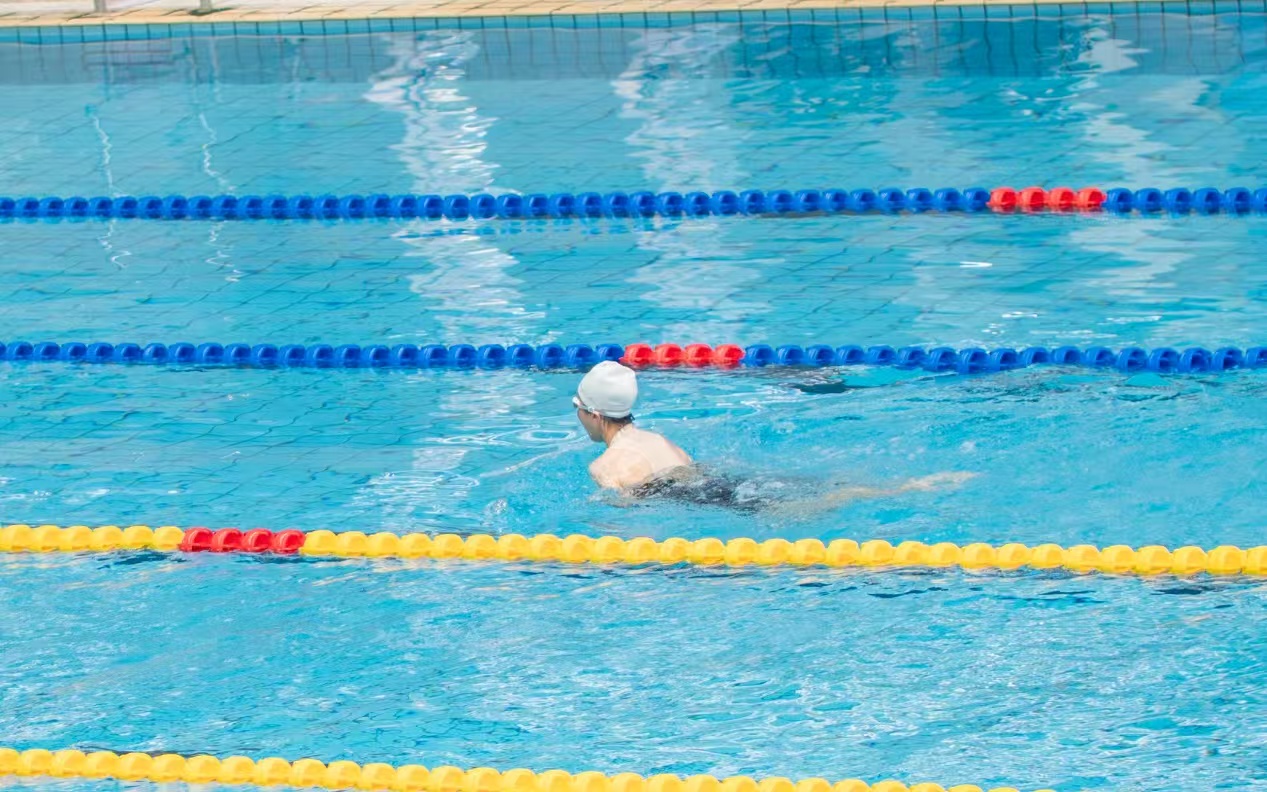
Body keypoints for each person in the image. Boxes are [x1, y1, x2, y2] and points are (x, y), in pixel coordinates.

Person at [574, 361, 975, 512]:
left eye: (578, 408)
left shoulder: (605, 465)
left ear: (594, 413)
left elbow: (630, 517)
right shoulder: (659, 440)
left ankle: (905, 489)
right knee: (829, 490)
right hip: (729, 482)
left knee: (816, 505)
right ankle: (914, 485)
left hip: (717, 500)